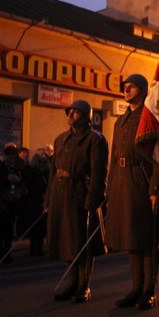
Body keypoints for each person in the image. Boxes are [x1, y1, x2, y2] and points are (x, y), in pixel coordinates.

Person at [105, 74, 159, 311]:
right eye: (124, 87)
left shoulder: (150, 118)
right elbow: (113, 158)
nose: (126, 90)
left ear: (142, 90)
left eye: (130, 87)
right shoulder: (120, 122)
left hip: (142, 181)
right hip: (122, 184)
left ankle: (149, 290)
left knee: (147, 239)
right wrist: (111, 188)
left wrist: (156, 188)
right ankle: (136, 287)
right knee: (132, 240)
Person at [45, 99, 109, 303]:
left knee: (81, 240)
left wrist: (94, 198)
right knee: (66, 239)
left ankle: (84, 285)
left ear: (86, 115)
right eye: (69, 112)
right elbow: (53, 171)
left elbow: (99, 173)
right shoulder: (61, 139)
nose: (70, 115)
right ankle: (71, 282)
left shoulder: (95, 139)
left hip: (80, 192)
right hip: (60, 192)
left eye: (75, 112)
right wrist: (48, 197)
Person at [0, 145, 25, 263]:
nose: (11, 160)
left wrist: (18, 180)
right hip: (2, 199)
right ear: (4, 156)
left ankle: (7, 252)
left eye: (13, 158)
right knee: (0, 228)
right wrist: (7, 178)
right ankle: (1, 252)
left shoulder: (16, 167)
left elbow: (21, 181)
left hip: (13, 199)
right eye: (9, 158)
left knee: (9, 228)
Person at [21, 148, 50, 256]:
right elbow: (30, 184)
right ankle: (33, 247)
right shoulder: (30, 169)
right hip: (34, 200)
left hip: (44, 199)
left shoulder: (48, 170)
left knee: (42, 225)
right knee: (34, 225)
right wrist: (39, 193)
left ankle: (39, 247)